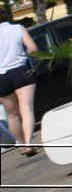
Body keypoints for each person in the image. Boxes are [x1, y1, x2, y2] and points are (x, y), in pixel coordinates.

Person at [0, 20, 38, 156]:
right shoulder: (17, 28)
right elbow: (33, 48)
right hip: (20, 71)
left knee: (11, 115)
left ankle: (21, 144)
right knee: (26, 108)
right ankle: (28, 144)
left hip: (1, 77)